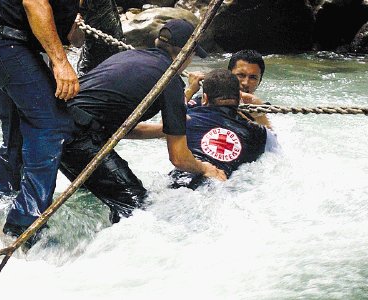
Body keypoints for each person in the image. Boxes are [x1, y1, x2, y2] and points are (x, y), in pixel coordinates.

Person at [59, 19, 227, 223]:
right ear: (186, 53)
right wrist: (205, 168)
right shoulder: (169, 79)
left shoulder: (129, 56)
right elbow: (179, 159)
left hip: (53, 128)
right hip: (77, 138)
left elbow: (118, 127)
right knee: (138, 210)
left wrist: (162, 131)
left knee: (94, 197)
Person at [0, 0, 80, 241]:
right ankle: (25, 225)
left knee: (17, 134)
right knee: (52, 125)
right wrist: (61, 63)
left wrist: (60, 52)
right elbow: (35, 3)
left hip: (1, 42)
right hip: (5, 42)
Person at [170, 69, 279, 190]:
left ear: (205, 98)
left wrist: (189, 90)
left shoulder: (187, 118)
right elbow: (276, 149)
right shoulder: (259, 134)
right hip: (222, 191)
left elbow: (163, 128)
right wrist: (260, 115)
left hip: (179, 183)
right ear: (240, 98)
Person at [186, 49, 271, 128]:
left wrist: (260, 116)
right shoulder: (204, 101)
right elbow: (175, 120)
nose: (245, 83)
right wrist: (190, 90)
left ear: (260, 81)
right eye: (241, 75)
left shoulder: (262, 109)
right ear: (228, 75)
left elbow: (272, 140)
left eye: (253, 77)